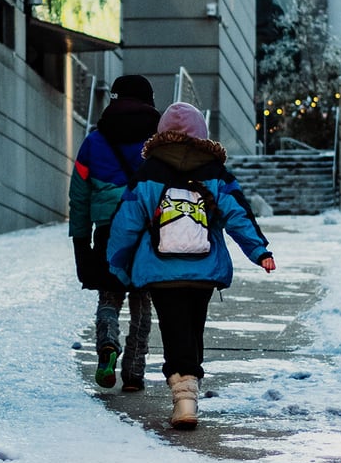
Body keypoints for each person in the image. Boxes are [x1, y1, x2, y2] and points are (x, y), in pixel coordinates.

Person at [106, 102, 276, 429]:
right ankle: (188, 393)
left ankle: (183, 397)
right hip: (204, 269)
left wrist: (118, 264)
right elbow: (238, 214)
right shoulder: (215, 173)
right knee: (193, 329)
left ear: (161, 134)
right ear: (203, 134)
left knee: (174, 329)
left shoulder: (148, 173)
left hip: (160, 270)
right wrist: (259, 251)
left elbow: (126, 223)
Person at [68, 75, 160, 391]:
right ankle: (134, 372)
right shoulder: (159, 140)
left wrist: (81, 245)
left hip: (108, 230)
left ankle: (107, 344)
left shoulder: (94, 142)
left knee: (109, 294)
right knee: (141, 300)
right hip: (147, 230)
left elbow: (78, 197)